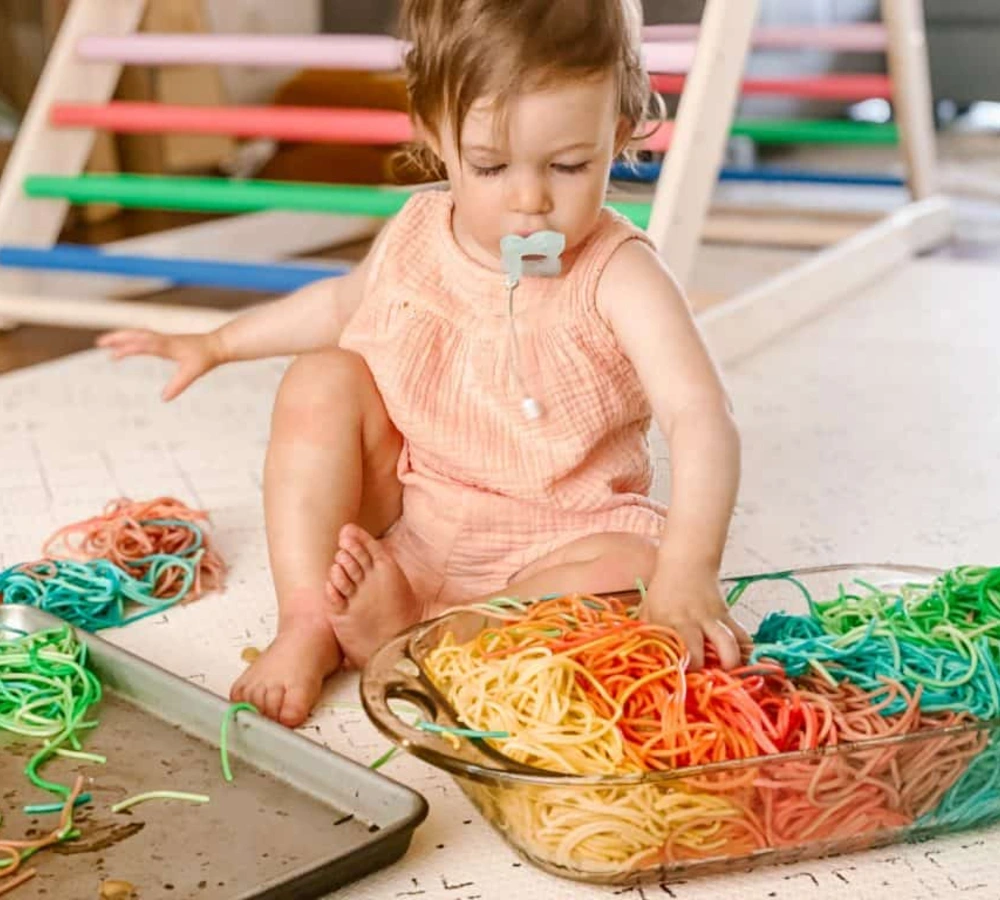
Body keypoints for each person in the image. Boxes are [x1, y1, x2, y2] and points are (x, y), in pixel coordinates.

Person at [99, 0, 748, 728]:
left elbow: (701, 417)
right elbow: (336, 307)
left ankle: (433, 633)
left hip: (561, 538)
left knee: (636, 569)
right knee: (322, 375)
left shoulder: (621, 274)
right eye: (491, 166)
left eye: (569, 165)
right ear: (436, 138)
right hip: (417, 512)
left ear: (618, 135)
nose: (530, 201)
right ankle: (311, 620)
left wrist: (689, 573)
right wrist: (216, 344)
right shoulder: (416, 234)